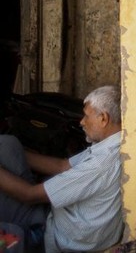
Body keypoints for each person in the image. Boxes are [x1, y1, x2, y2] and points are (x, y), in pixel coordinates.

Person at [0, 85, 124, 252]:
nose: (82, 122)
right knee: (8, 146)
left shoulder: (100, 164)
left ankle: (28, 238)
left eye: (86, 116)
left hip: (56, 236)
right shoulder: (112, 145)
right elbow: (62, 166)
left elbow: (29, 195)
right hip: (61, 216)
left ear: (103, 119)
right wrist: (19, 153)